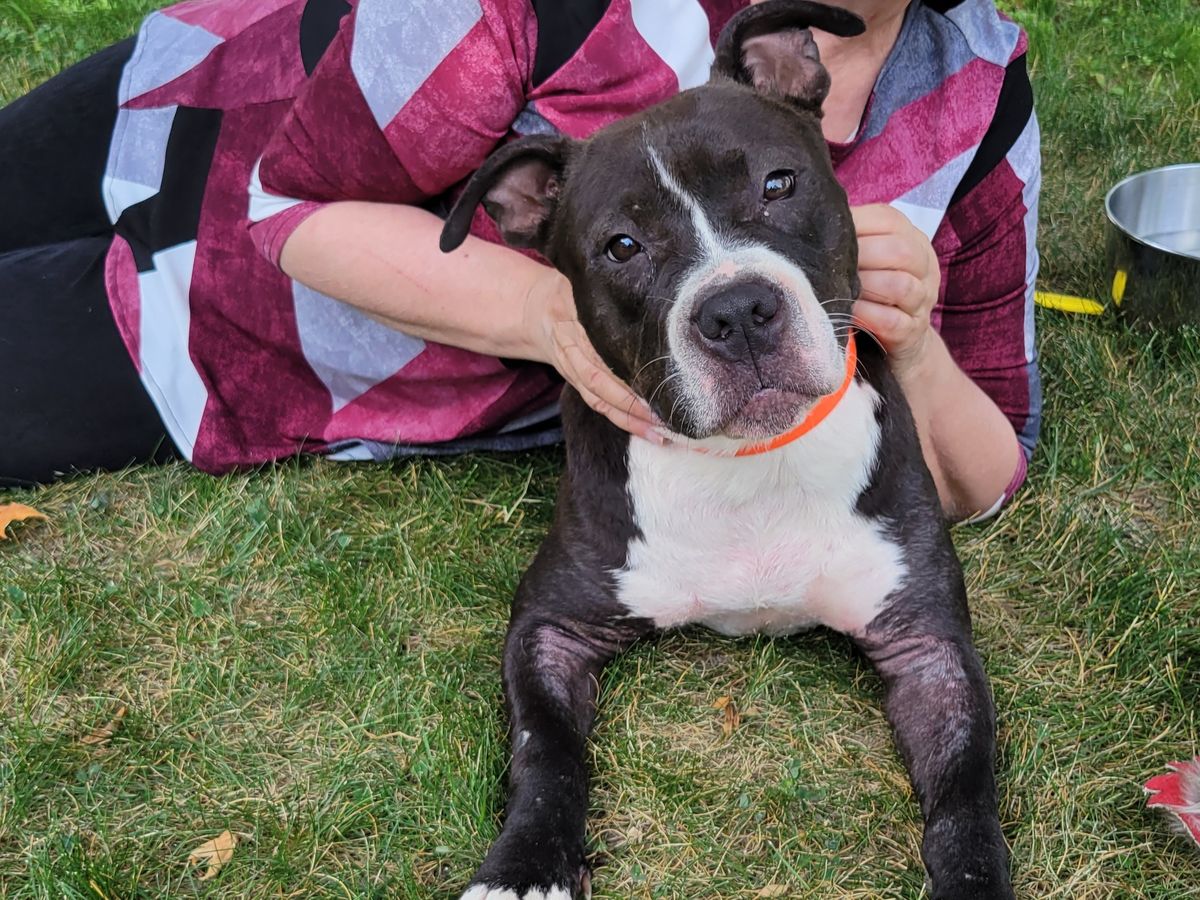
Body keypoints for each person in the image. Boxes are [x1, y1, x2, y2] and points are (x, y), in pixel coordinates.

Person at [0, 0, 1039, 522]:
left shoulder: (975, 100)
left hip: (246, 345)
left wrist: (915, 345)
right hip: (220, 125)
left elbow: (991, 462)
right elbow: (289, 203)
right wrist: (549, 315)